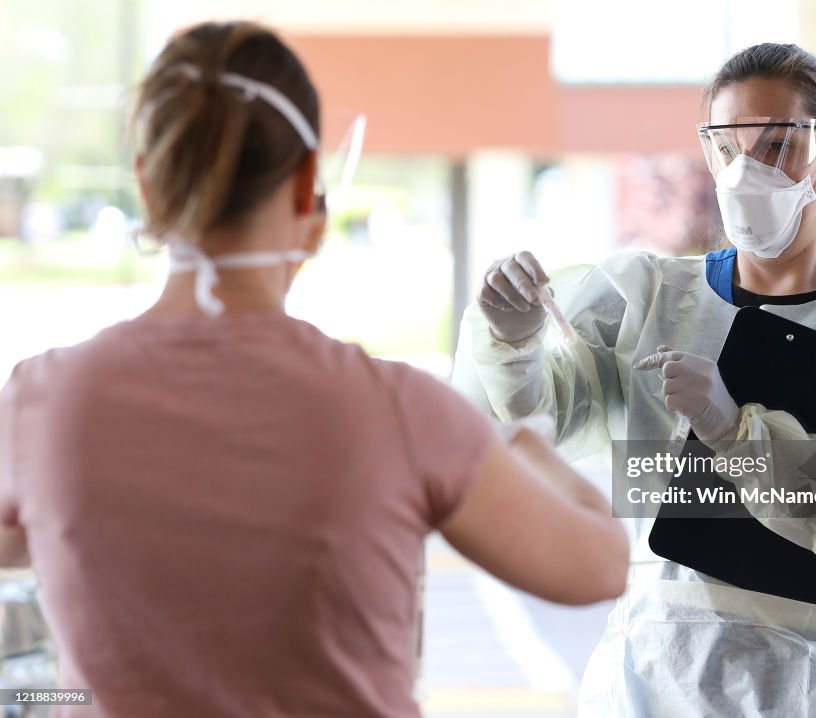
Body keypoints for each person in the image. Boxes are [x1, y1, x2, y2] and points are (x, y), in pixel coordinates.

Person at [0, 21, 630, 718]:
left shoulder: (41, 402)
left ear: (147, 185)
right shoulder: (400, 411)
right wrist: (523, 447)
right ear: (308, 188)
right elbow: (599, 562)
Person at [453, 42, 816, 717]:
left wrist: (737, 433)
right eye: (728, 146)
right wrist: (511, 343)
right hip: (659, 679)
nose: (748, 173)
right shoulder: (647, 300)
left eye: (779, 146)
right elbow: (525, 432)